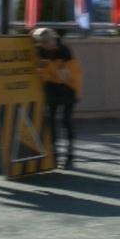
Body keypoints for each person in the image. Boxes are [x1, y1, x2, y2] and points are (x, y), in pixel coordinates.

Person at [32, 28, 82, 169]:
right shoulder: (40, 54)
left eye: (52, 39)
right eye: (46, 42)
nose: (51, 43)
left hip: (69, 88)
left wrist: (55, 72)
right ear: (41, 44)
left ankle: (70, 154)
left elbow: (70, 75)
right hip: (52, 87)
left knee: (66, 120)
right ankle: (53, 153)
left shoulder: (64, 51)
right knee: (51, 119)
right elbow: (43, 73)